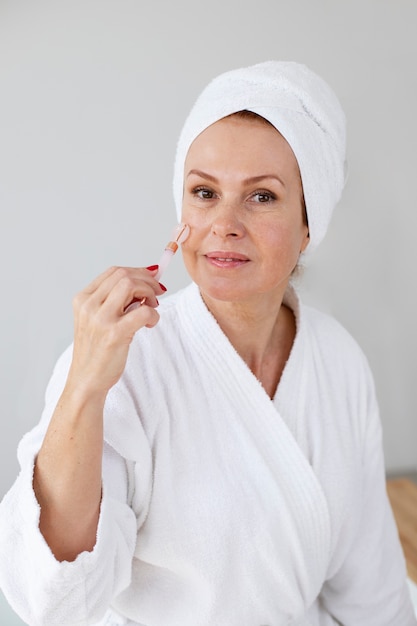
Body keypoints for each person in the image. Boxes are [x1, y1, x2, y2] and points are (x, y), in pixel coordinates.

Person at [0, 61, 415, 626]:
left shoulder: (338, 360)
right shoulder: (129, 359)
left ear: (309, 224)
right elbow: (56, 601)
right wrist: (84, 387)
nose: (224, 223)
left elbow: (371, 586)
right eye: (204, 192)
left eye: (262, 197)